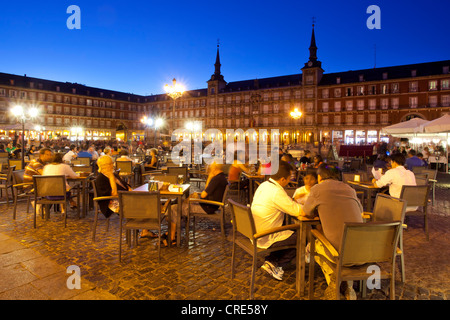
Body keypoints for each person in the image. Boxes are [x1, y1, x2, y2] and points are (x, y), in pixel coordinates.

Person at [301, 164, 363, 300]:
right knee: (339, 241)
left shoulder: (317, 189)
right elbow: (361, 212)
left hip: (337, 251)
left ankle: (334, 281)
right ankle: (348, 284)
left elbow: (306, 212)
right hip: (361, 250)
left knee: (313, 245)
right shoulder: (350, 189)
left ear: (319, 177)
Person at [251, 160, 303, 281]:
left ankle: (271, 261)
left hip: (255, 232)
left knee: (290, 231)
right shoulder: (276, 192)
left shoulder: (265, 185)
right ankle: (277, 264)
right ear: (283, 179)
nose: (290, 180)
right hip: (265, 236)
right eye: (290, 177)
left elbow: (283, 203)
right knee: (304, 235)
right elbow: (298, 211)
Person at [167, 162, 228, 246]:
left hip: (207, 207)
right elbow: (206, 192)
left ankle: (172, 237)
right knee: (181, 203)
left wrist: (210, 177)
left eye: (210, 168)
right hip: (210, 205)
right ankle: (172, 232)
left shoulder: (216, 179)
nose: (209, 169)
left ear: (214, 168)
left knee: (174, 208)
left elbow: (203, 194)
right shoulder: (222, 177)